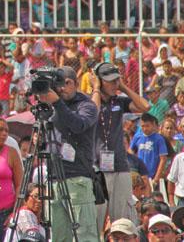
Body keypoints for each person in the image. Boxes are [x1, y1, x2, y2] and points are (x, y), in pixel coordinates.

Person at [34, 66, 99, 242]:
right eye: (59, 83)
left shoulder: (86, 105)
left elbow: (78, 125)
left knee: (85, 236)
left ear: (76, 84)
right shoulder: (50, 106)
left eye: (67, 83)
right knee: (58, 237)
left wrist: (57, 103)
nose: (62, 88)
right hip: (53, 179)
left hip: (77, 178)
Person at [92, 61, 150, 228]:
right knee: (96, 219)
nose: (113, 84)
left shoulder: (119, 101)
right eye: (109, 80)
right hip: (98, 168)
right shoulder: (89, 100)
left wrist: (124, 87)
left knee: (122, 221)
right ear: (99, 80)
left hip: (120, 165)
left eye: (115, 79)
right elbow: (92, 113)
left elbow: (145, 107)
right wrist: (96, 88)